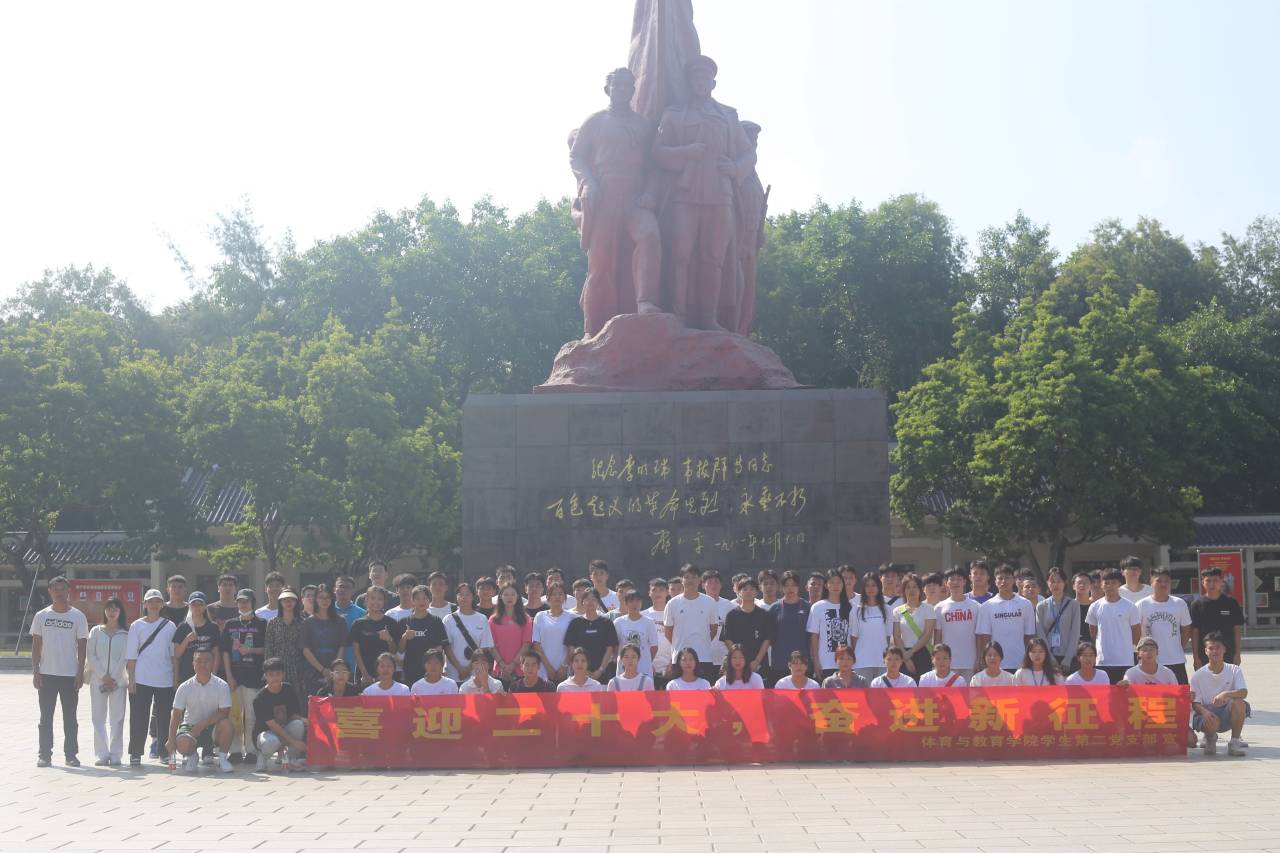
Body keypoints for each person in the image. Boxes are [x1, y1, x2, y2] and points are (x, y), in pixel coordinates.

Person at [31, 575, 89, 767]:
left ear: (68, 591)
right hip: (47, 674)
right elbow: (36, 645)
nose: (59, 592)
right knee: (45, 717)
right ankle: (44, 755)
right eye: (55, 589)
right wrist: (36, 671)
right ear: (49, 591)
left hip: (69, 675)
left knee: (70, 718)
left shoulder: (78, 616)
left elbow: (82, 646)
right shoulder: (41, 616)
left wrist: (80, 672)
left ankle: (71, 754)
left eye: (63, 589)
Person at [126, 589, 178, 766]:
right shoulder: (136, 625)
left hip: (164, 678)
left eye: (157, 601)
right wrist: (131, 680)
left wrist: (175, 679)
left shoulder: (170, 626)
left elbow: (173, 655)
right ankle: (135, 753)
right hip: (141, 678)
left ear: (162, 604)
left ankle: (164, 751)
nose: (154, 605)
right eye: (150, 601)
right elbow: (131, 655)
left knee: (164, 718)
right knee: (138, 717)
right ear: (145, 604)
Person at [219, 588, 268, 764]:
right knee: (234, 716)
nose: (243, 604)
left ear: (253, 603)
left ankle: (252, 750)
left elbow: (267, 649)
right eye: (240, 601)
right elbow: (225, 651)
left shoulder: (262, 624)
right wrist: (228, 675)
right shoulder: (230, 624)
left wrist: (251, 650)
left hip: (254, 677)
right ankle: (235, 751)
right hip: (234, 677)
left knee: (252, 716)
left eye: (246, 601)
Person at [165, 649, 234, 773]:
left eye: (207, 661)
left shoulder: (222, 685)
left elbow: (224, 712)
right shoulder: (184, 687)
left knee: (227, 725)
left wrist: (203, 724)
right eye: (199, 661)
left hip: (213, 728)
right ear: (193, 664)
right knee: (182, 743)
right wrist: (170, 739)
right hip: (190, 727)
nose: (203, 664)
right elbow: (176, 714)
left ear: (213, 663)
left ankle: (223, 758)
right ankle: (192, 756)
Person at [1190, 631, 1249, 756]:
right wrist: (1205, 712)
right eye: (1211, 648)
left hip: (1227, 712)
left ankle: (1234, 742)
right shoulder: (1198, 675)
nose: (1215, 651)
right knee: (1210, 719)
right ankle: (1210, 738)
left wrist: (1225, 694)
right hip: (1208, 712)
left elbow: (1243, 692)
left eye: (1218, 647)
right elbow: (1195, 703)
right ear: (1206, 651)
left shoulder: (1234, 669)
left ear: (1224, 649)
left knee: (1239, 703)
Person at [86, 595, 129, 765]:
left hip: (119, 682)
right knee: (98, 718)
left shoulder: (126, 634)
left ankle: (116, 754)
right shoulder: (96, 631)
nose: (112, 612)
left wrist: (113, 678)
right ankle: (102, 754)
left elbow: (125, 658)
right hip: (98, 681)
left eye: (115, 609)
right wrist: (103, 676)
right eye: (109, 609)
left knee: (117, 719)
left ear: (120, 612)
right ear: (104, 611)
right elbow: (91, 655)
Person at [663, 565, 720, 683]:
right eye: (687, 577)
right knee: (679, 694)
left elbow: (713, 629)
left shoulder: (709, 602)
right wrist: (679, 644)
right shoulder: (672, 603)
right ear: (681, 580)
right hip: (679, 659)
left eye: (694, 577)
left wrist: (702, 642)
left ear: (699, 580)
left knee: (705, 692)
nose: (690, 580)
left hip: (704, 658)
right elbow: (668, 631)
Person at [975, 564, 1036, 671]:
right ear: (995, 582)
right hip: (995, 665)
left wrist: (1028, 660)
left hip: (1020, 664)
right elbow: (984, 637)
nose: (1003, 581)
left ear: (1014, 580)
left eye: (1007, 578)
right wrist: (984, 660)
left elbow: (1029, 635)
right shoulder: (987, 606)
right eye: (1000, 578)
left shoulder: (1026, 604)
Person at [1137, 567, 1192, 683]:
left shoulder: (1179, 603)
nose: (1163, 584)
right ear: (1151, 583)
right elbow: (1135, 631)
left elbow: (1186, 629)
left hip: (1175, 660)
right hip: (1150, 661)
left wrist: (1178, 647)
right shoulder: (1141, 605)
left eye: (1166, 581)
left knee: (1180, 693)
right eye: (1159, 581)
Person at [1086, 568, 1142, 683]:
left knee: (1124, 693)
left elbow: (1136, 634)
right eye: (1106, 583)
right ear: (1101, 585)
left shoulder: (1130, 606)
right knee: (1105, 693)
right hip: (1102, 661)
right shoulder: (1094, 606)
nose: (1109, 586)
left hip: (1125, 661)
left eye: (1113, 583)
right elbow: (1093, 633)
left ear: (1119, 584)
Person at [251, 657, 307, 772]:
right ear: (265, 676)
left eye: (278, 674)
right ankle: (262, 757)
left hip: (284, 728)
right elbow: (273, 726)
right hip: (267, 733)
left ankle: (291, 758)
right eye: (271, 675)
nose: (275, 678)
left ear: (283, 675)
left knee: (299, 724)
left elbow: (293, 714)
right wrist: (295, 742)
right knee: (273, 741)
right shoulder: (259, 698)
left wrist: (304, 720)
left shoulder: (288, 689)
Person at [348, 586, 405, 689]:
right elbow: (356, 651)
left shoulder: (391, 623)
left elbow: (394, 651)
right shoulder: (358, 624)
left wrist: (389, 639)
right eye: (373, 598)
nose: (376, 602)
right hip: (364, 675)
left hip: (386, 675)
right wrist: (365, 674)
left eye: (380, 599)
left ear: (384, 602)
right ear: (366, 600)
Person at [1190, 567, 1244, 669]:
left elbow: (1236, 629)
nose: (1211, 584)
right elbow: (1194, 632)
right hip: (1205, 654)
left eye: (1215, 580)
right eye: (1208, 581)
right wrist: (1196, 657)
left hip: (1228, 653)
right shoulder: (1197, 605)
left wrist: (1238, 653)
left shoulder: (1231, 602)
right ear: (1203, 582)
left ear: (1221, 582)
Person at [935, 567, 982, 681]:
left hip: (970, 662)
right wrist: (937, 660)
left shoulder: (976, 606)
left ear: (965, 582)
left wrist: (979, 658)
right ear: (946, 583)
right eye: (952, 579)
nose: (955, 582)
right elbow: (937, 638)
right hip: (947, 663)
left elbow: (979, 636)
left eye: (959, 579)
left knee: (970, 692)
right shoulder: (939, 607)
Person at [564, 589, 619, 683]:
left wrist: (600, 670)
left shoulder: (607, 623)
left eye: (593, 599)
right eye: (587, 599)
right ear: (583, 601)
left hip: (603, 674)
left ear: (598, 602)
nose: (590, 602)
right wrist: (583, 670)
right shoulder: (575, 623)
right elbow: (571, 648)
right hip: (579, 674)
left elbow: (610, 649)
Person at [302, 585, 348, 696]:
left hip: (336, 674)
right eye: (321, 597)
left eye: (327, 597)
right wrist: (323, 670)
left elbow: (342, 646)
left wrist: (335, 669)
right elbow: (305, 650)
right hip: (313, 673)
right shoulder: (308, 622)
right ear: (316, 599)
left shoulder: (340, 621)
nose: (324, 600)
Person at [767, 571, 812, 687]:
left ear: (798, 587)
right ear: (781, 588)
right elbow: (768, 638)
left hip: (803, 664)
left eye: (793, 585)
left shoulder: (808, 608)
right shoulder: (774, 609)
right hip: (780, 664)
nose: (790, 588)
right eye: (786, 585)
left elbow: (813, 637)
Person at [398, 585, 449, 687]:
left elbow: (440, 648)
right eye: (418, 599)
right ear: (412, 601)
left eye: (425, 598)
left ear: (429, 600)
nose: (422, 602)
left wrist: (439, 668)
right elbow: (400, 650)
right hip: (411, 670)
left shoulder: (436, 621)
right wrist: (404, 637)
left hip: (432, 670)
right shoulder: (404, 622)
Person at [443, 582, 494, 681]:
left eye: (467, 594)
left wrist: (468, 669)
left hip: (477, 675)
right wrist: (459, 668)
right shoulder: (448, 619)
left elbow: (484, 647)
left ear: (473, 597)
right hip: (453, 674)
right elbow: (446, 647)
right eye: (461, 594)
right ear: (456, 597)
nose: (464, 597)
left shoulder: (482, 618)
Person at [723, 578, 773, 676]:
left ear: (757, 592)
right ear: (739, 592)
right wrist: (740, 660)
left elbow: (767, 640)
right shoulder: (731, 615)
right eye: (745, 589)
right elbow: (727, 639)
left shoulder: (764, 615)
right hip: (737, 666)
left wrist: (757, 661)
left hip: (760, 665)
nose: (748, 592)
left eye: (752, 589)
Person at [892, 572, 937, 680]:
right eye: (908, 587)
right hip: (903, 654)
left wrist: (911, 652)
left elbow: (927, 634)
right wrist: (906, 658)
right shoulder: (897, 611)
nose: (911, 590)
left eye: (914, 587)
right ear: (903, 590)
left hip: (923, 652)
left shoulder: (928, 609)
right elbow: (896, 636)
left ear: (920, 589)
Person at [264, 588, 307, 702]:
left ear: (296, 602)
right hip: (277, 670)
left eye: (291, 600)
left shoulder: (302, 622)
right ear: (280, 602)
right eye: (285, 600)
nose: (288, 602)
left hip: (297, 669)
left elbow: (306, 649)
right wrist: (268, 670)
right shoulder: (273, 623)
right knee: (277, 702)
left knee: (297, 701)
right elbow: (269, 648)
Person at [850, 572, 893, 681]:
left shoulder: (887, 609)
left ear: (879, 587)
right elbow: (854, 638)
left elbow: (888, 637)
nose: (870, 588)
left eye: (873, 585)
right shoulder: (856, 610)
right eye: (867, 585)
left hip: (882, 662)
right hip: (862, 662)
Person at [1036, 567, 1081, 673]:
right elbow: (1040, 634)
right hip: (1047, 657)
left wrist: (1068, 659)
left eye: (1059, 581)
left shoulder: (1073, 604)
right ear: (1047, 583)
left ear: (1064, 583)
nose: (1055, 584)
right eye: (1052, 581)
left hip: (1069, 658)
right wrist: (1049, 658)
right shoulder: (1041, 606)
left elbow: (1075, 633)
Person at [807, 569, 848, 680]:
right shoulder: (817, 607)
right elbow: (814, 637)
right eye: (832, 582)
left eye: (839, 582)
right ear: (826, 585)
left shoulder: (851, 607)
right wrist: (816, 662)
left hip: (847, 663)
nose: (835, 586)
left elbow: (854, 636)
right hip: (825, 663)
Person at [173, 592, 222, 685]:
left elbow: (216, 653)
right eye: (194, 604)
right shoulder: (183, 627)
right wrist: (187, 640)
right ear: (189, 606)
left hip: (208, 676)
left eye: (200, 604)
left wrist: (214, 675)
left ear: (205, 606)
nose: (197, 607)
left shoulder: (213, 627)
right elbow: (176, 654)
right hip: (187, 676)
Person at [489, 584, 533, 685]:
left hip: (520, 670)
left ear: (518, 597)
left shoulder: (526, 618)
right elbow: (491, 646)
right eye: (506, 594)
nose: (510, 597)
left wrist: (512, 665)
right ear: (501, 597)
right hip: (500, 670)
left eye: (513, 594)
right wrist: (503, 665)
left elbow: (526, 645)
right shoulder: (493, 619)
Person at [533, 584, 574, 684]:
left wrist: (564, 666)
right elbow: (536, 644)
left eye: (560, 594)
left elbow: (573, 646)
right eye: (554, 594)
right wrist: (548, 668)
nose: (557, 597)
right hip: (543, 670)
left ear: (565, 597)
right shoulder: (540, 616)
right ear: (547, 597)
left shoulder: (572, 617)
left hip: (565, 670)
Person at [613, 591, 660, 678]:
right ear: (626, 603)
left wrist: (646, 661)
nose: (635, 604)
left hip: (644, 667)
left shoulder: (649, 622)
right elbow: (615, 646)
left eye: (637, 601)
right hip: (624, 668)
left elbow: (654, 646)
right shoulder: (618, 622)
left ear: (641, 603)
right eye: (631, 601)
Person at [701, 569, 735, 668]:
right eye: (710, 582)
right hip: (703, 657)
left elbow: (734, 633)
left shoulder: (729, 606)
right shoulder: (697, 604)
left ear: (721, 585)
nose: (713, 585)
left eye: (716, 582)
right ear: (703, 585)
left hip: (724, 658)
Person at [642, 578, 674, 687]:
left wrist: (673, 663)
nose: (657, 593)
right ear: (649, 593)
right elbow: (642, 643)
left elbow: (680, 641)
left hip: (671, 668)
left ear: (667, 592)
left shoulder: (674, 614)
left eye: (661, 590)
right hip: (648, 668)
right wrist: (647, 664)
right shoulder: (643, 615)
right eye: (654, 590)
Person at [333, 575, 366, 672]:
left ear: (353, 591)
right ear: (334, 589)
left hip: (354, 666)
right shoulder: (326, 611)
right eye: (341, 586)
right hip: (331, 666)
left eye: (347, 587)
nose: (343, 590)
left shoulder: (361, 614)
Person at [1072, 571, 1094, 648]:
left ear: (1091, 586)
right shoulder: (1068, 607)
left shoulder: (1096, 607)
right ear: (1073, 586)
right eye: (1079, 583)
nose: (1082, 585)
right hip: (1073, 648)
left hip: (1093, 649)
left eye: (1085, 583)